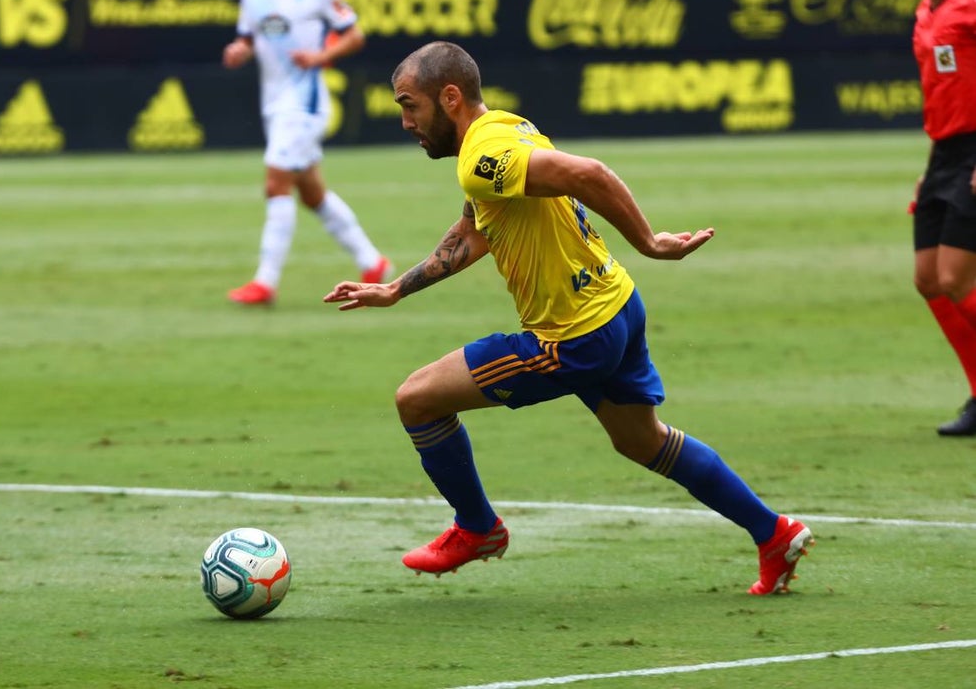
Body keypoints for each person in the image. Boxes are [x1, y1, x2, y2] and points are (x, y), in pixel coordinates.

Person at [324, 41, 814, 595]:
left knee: (416, 399)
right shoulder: (509, 127)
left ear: (451, 97)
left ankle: (478, 529)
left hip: (573, 336)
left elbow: (590, 173)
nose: (406, 120)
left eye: (409, 105)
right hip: (618, 307)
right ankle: (773, 533)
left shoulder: (482, 158)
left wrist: (650, 242)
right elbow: (473, 232)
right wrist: (395, 288)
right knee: (642, 441)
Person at [223, 0, 390, 305]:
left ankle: (265, 282)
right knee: (312, 193)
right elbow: (248, 37)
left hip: (305, 102)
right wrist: (239, 50)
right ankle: (372, 261)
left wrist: (321, 56)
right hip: (275, 103)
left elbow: (354, 34)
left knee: (275, 183)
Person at [909, 0, 976, 436]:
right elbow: (944, 95)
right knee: (929, 280)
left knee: (956, 278)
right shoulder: (927, 11)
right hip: (944, 155)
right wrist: (929, 168)